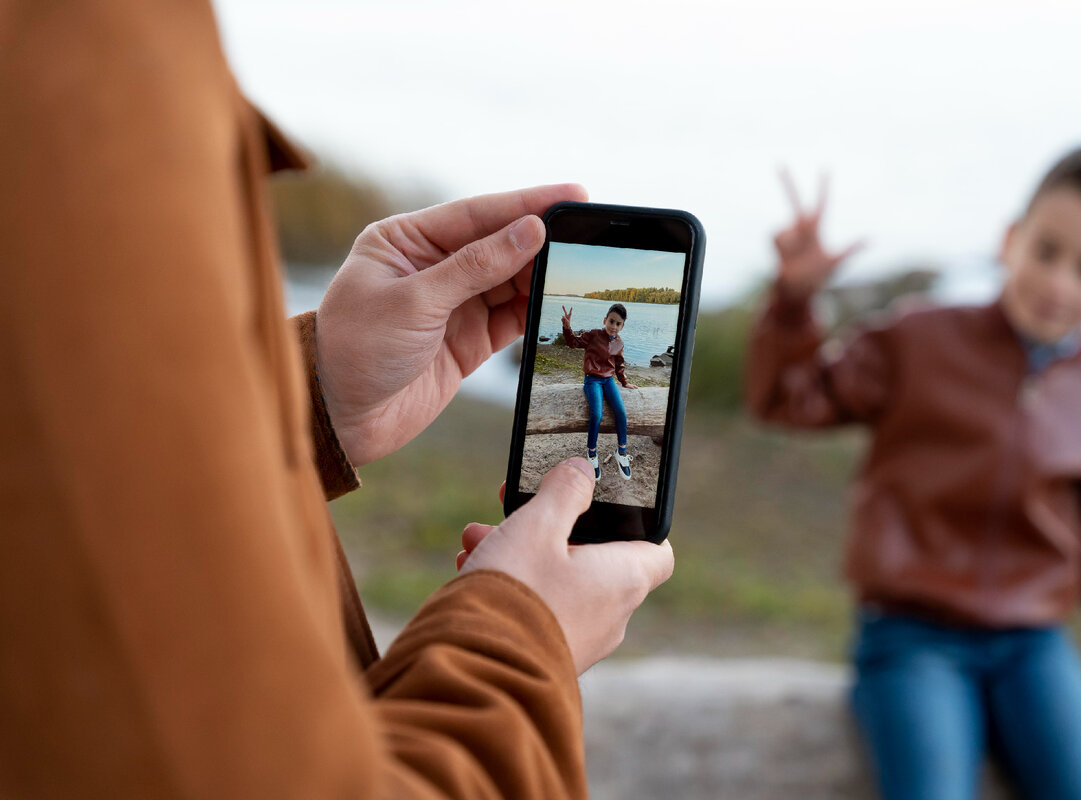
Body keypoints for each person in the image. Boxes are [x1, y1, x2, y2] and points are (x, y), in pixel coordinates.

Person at [0, 3, 673, 797]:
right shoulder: (73, 45)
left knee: (614, 421)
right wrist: (523, 638)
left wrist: (306, 397)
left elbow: (60, 464)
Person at [746, 149, 1081, 800]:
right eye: (1047, 251)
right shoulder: (918, 339)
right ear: (1011, 240)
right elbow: (787, 398)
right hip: (910, 633)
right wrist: (793, 302)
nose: (1059, 282)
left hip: (1034, 645)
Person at [560, 303, 638, 480]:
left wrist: (624, 382)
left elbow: (619, 364)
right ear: (605, 320)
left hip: (609, 380)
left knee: (620, 411)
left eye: (618, 324)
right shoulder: (594, 335)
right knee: (597, 414)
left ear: (622, 326)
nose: (614, 326)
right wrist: (567, 327)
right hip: (593, 380)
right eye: (611, 321)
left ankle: (621, 452)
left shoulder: (619, 342)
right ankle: (592, 454)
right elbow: (573, 343)